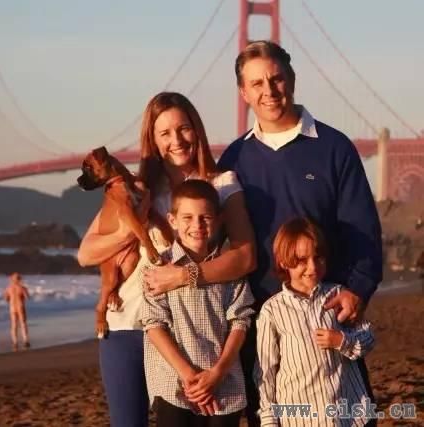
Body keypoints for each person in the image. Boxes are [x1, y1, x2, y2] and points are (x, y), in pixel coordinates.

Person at [216, 40, 382, 425]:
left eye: (276, 79)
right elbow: (209, 239)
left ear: (291, 79)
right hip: (263, 321)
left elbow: (363, 230)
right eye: (256, 83)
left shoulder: (335, 148)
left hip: (327, 315)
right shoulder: (233, 159)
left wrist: (358, 289)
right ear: (243, 93)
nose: (269, 90)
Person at [77, 91, 257, 427]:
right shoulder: (138, 189)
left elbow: (246, 257)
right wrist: (134, 227)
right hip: (128, 324)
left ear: (197, 130)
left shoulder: (222, 184)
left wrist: (183, 276)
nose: (177, 140)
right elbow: (86, 254)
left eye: (184, 128)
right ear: (153, 141)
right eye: (165, 133)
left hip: (191, 332)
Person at [141, 179, 255, 427]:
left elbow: (240, 321)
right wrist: (189, 376)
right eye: (188, 217)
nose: (197, 225)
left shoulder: (229, 268)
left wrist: (217, 373)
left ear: (219, 219)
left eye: (205, 217)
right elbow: (153, 325)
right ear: (172, 220)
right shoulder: (159, 268)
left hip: (224, 383)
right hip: (175, 383)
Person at [255, 217, 375, 426]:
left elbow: (368, 338)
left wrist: (342, 341)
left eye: (318, 258)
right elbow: (265, 373)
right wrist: (269, 421)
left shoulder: (338, 295)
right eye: (302, 260)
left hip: (347, 417)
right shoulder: (272, 311)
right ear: (283, 262)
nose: (312, 267)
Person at [3, 272, 30, 349]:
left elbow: (6, 299)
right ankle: (25, 340)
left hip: (12, 307)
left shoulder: (8, 288)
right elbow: (27, 297)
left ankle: (15, 342)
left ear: (11, 279)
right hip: (20, 306)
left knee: (14, 325)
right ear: (19, 279)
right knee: (23, 323)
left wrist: (11, 299)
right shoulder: (22, 288)